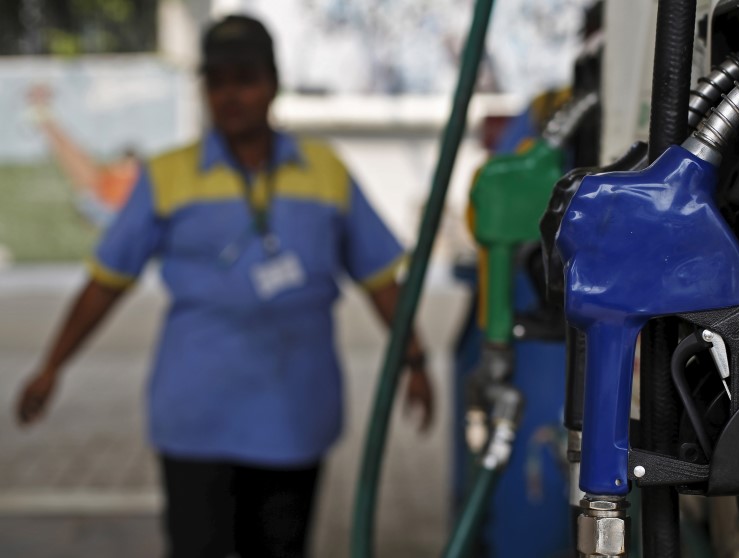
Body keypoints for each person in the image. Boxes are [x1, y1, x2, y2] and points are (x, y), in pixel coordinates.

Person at [16, 14, 433, 558]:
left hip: (294, 416)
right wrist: (52, 366)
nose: (231, 94)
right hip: (196, 420)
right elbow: (106, 283)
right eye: (217, 81)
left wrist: (417, 363)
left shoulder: (327, 171)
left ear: (274, 82)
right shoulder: (167, 176)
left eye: (245, 77)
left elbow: (381, 281)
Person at [27, 85, 139, 229]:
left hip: (108, 207)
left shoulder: (108, 188)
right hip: (108, 207)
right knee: (78, 162)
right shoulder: (114, 183)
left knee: (81, 166)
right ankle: (41, 113)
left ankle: (41, 113)